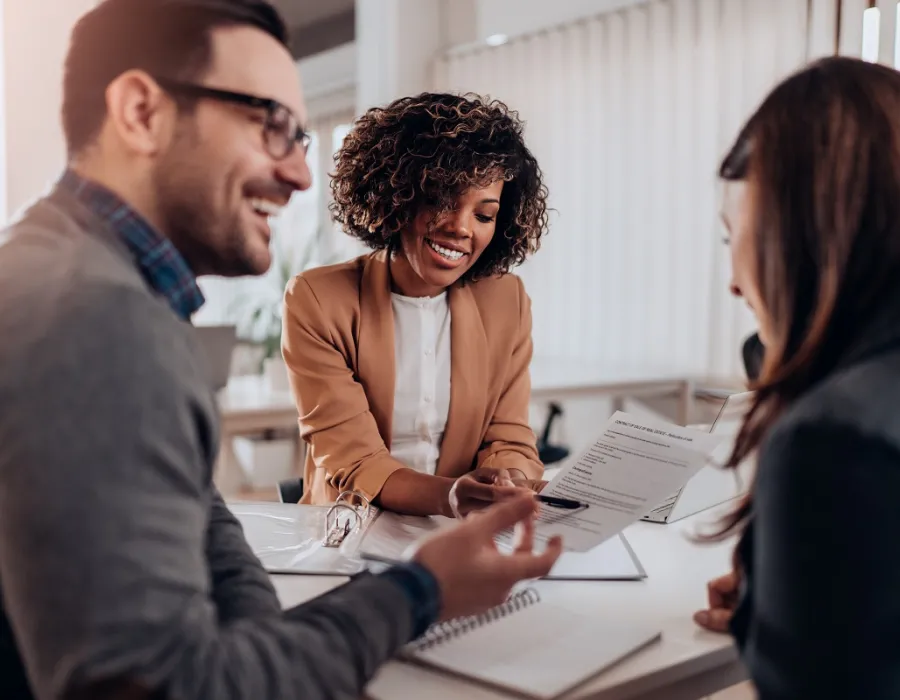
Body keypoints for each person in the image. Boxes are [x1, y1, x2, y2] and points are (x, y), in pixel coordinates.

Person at [0, 2, 562, 699]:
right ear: (142, 112)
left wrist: (268, 632)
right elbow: (165, 687)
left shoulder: (81, 278)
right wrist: (421, 592)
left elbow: (201, 512)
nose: (300, 173)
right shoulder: (94, 318)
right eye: (269, 125)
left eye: (298, 136)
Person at [692, 56, 900, 698]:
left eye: (733, 238)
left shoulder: (833, 442)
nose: (734, 283)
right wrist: (786, 594)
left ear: (796, 236)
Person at [282, 93, 551, 517]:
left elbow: (509, 437)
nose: (461, 228)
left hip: (459, 530)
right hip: (348, 527)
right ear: (399, 196)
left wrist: (509, 481)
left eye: (483, 215)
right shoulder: (318, 299)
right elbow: (356, 461)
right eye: (443, 201)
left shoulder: (506, 301)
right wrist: (451, 496)